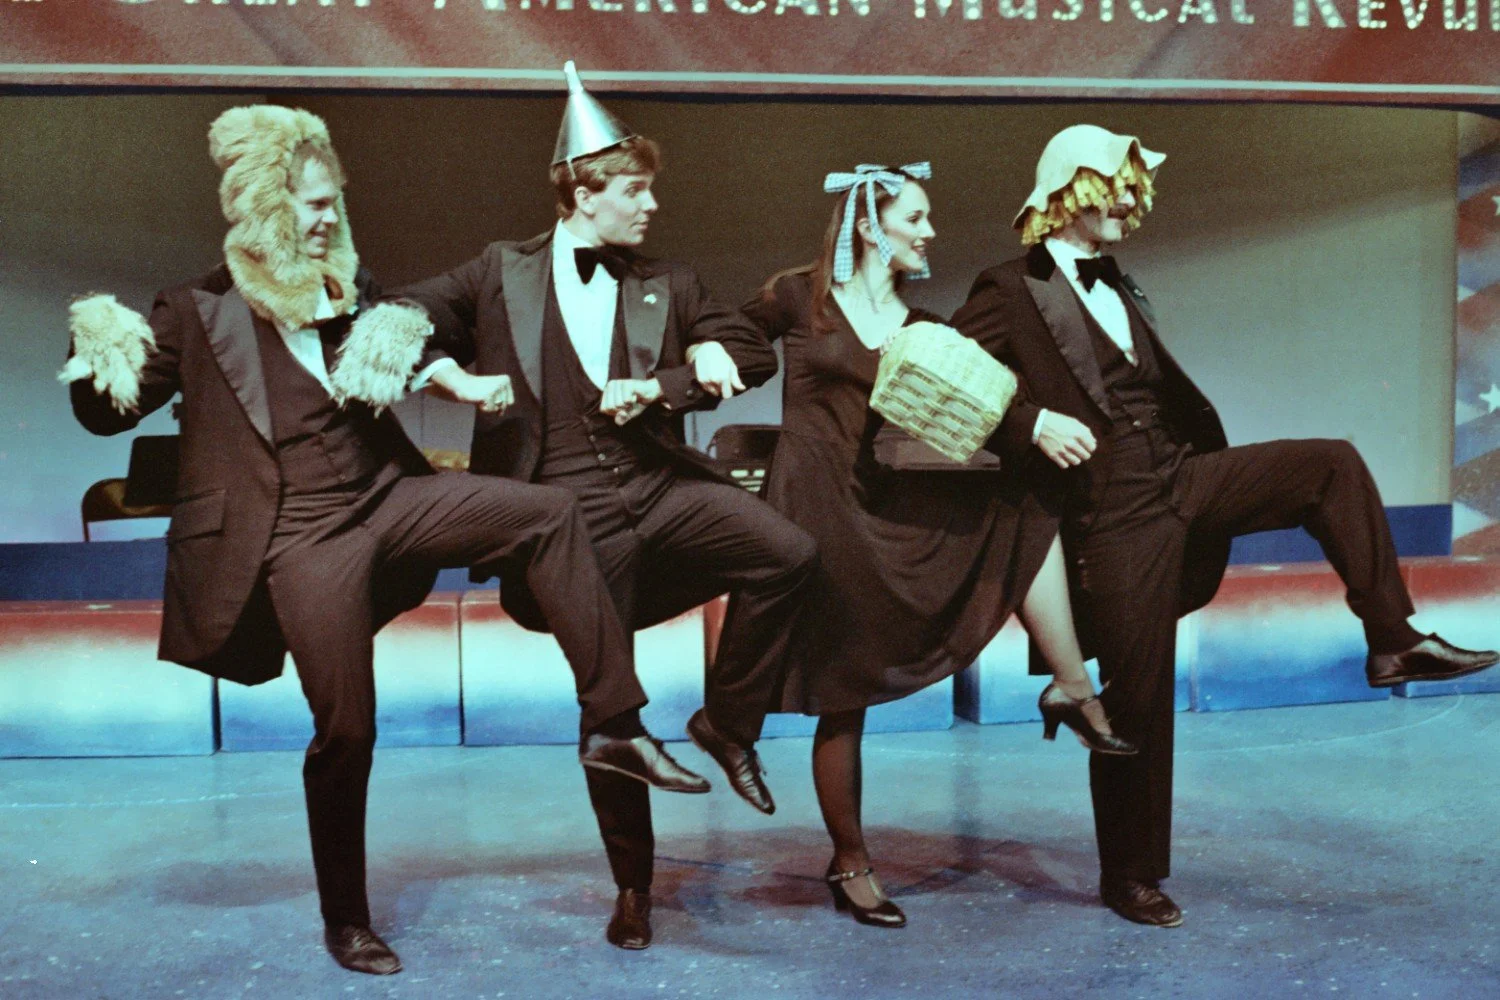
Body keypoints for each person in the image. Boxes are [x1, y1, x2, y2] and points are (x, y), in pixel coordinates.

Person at [62, 105, 689, 975]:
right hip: (301, 536)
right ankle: (346, 917)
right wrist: (97, 344)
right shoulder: (197, 311)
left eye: (334, 202)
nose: (329, 219)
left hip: (389, 497)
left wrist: (453, 379)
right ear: (265, 210)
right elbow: (108, 411)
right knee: (347, 730)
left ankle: (615, 722)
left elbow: (405, 341)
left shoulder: (347, 288)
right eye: (313, 204)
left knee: (547, 512)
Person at [949, 123, 1499, 928]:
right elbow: (942, 380)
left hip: (1180, 474)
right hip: (1113, 510)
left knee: (1329, 465)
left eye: (1136, 194)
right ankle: (1129, 875)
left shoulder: (1120, 283)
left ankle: (1393, 637)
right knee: (1136, 700)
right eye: (1117, 191)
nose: (1131, 207)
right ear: (1069, 190)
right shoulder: (1007, 289)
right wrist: (1029, 423)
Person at [377, 64, 817, 950]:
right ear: (583, 194)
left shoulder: (668, 281)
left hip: (658, 488)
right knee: (609, 715)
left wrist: (681, 378)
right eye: (633, 191)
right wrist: (451, 374)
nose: (650, 206)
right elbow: (394, 317)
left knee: (790, 555)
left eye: (650, 190)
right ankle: (633, 889)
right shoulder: (498, 272)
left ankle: (727, 723)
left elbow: (748, 352)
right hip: (565, 522)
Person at [742, 162, 1134, 930]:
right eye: (915, 217)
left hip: (886, 504)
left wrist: (1038, 423)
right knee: (843, 700)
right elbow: (725, 338)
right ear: (869, 225)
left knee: (1024, 509)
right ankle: (851, 863)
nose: (930, 232)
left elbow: (988, 396)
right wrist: (694, 368)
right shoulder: (798, 295)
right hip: (818, 514)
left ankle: (1072, 686)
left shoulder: (923, 323)